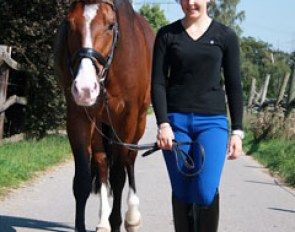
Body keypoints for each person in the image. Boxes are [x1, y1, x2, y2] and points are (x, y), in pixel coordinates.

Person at [151, 0, 244, 231]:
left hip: (212, 122)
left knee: (205, 190)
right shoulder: (166, 35)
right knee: (182, 190)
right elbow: (158, 83)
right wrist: (163, 124)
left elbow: (234, 85)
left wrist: (237, 131)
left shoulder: (226, 36)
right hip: (176, 122)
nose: (190, 2)